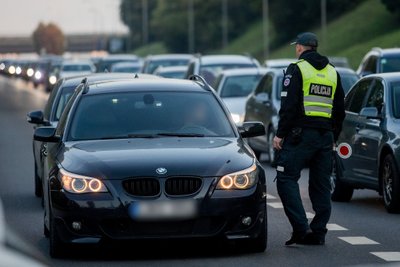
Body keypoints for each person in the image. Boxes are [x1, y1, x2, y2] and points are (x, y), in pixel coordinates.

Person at [272, 32, 345, 246]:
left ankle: (302, 229)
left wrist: (280, 134)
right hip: (325, 137)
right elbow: (340, 110)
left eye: (297, 46)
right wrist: (334, 136)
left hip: (300, 135)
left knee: (286, 178)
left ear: (300, 48)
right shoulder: (333, 72)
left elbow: (289, 106)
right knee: (321, 185)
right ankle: (318, 232)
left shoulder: (297, 69)